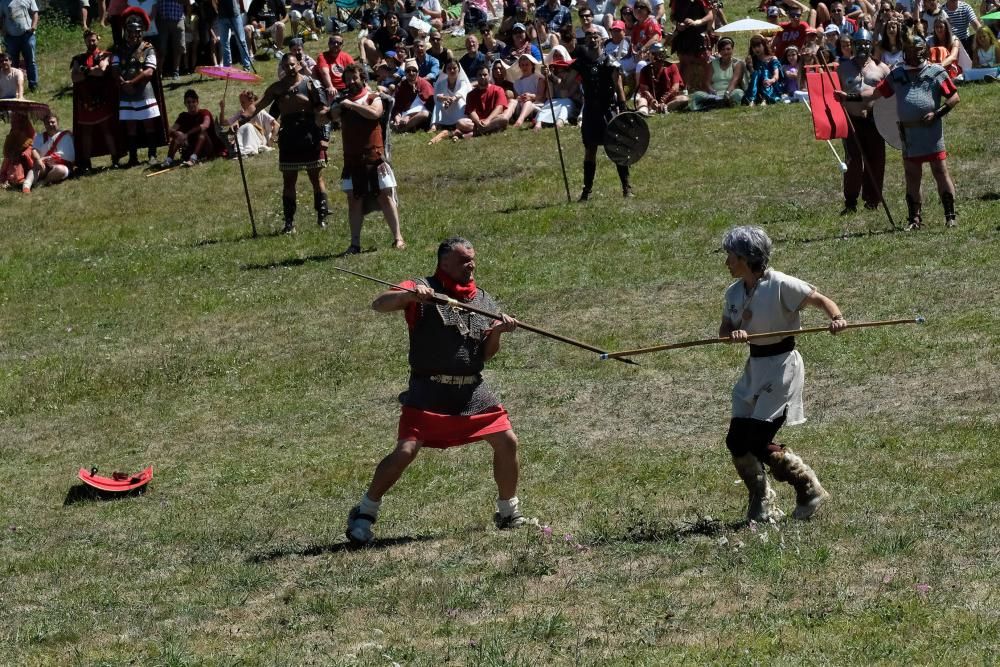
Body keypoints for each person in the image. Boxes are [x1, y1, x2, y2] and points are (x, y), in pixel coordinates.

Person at [345, 237, 531, 546]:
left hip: (472, 392)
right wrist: (412, 298)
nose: (470, 265)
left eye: (472, 259)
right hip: (428, 391)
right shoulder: (421, 286)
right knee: (405, 452)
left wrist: (497, 331)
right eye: (462, 260)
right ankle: (364, 513)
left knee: (507, 440)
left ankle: (508, 512)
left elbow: (484, 354)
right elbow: (379, 304)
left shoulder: (482, 300)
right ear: (444, 263)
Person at [719, 225, 844, 524]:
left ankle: (808, 487)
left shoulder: (781, 284)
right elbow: (724, 329)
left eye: (731, 257)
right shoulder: (734, 292)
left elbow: (821, 300)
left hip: (782, 368)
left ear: (747, 258)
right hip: (755, 367)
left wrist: (836, 319)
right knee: (737, 441)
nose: (727, 263)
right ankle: (762, 502)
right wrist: (731, 334)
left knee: (758, 439)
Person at [837, 33, 960, 227]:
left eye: (917, 50)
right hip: (908, 133)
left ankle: (950, 216)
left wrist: (937, 114)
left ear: (924, 51)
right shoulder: (898, 74)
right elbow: (874, 93)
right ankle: (914, 219)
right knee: (912, 175)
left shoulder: (935, 72)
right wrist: (849, 97)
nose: (914, 54)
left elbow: (954, 97)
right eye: (910, 50)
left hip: (931, 132)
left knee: (940, 171)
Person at [249, 52, 330, 233]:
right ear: (283, 68)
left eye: (292, 65)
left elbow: (324, 112)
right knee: (288, 180)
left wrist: (325, 137)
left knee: (315, 177)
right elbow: (258, 106)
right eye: (286, 66)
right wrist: (239, 120)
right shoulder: (277, 88)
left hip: (310, 134)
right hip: (289, 138)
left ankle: (322, 216)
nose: (290, 68)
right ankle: (289, 222)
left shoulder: (311, 84)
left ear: (299, 64)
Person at [327, 63, 404, 253]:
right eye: (348, 78)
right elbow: (327, 117)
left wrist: (351, 105)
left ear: (362, 78)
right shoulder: (342, 101)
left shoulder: (373, 97)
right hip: (353, 159)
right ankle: (355, 244)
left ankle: (398, 238)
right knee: (354, 200)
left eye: (354, 77)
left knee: (385, 196)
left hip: (374, 157)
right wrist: (333, 108)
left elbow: (375, 113)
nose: (351, 81)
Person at [562, 26, 630, 200]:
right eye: (589, 36)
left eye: (595, 36)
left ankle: (626, 187)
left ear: (601, 39)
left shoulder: (610, 62)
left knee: (616, 148)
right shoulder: (581, 63)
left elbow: (619, 87)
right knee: (590, 150)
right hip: (591, 112)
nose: (592, 39)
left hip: (608, 109)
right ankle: (586, 191)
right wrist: (549, 75)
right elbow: (566, 84)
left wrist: (623, 110)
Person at [836, 27, 889, 213]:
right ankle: (850, 201)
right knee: (853, 161)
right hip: (853, 121)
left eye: (866, 44)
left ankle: (872, 200)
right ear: (853, 45)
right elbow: (834, 96)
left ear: (871, 45)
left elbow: (889, 95)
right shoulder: (843, 68)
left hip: (875, 121)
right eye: (859, 44)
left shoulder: (882, 69)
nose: (862, 47)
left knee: (876, 160)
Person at [112, 7, 169, 167]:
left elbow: (149, 71)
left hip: (144, 91)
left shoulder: (148, 48)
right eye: (130, 32)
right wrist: (123, 83)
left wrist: (133, 83)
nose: (133, 35)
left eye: (136, 32)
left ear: (141, 32)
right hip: (125, 92)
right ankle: (133, 157)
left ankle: (152, 154)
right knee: (130, 125)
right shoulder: (119, 48)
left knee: (148, 123)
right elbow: (115, 68)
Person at [70, 31, 120, 171]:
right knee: (86, 132)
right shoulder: (78, 58)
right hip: (85, 100)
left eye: (93, 40)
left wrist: (84, 71)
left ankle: (115, 159)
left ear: (98, 39)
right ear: (85, 42)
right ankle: (86, 164)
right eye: (88, 41)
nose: (91, 43)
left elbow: (102, 70)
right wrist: (91, 71)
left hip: (102, 98)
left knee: (107, 130)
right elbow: (74, 78)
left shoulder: (105, 55)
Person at [161, 88, 225, 166]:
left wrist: (187, 134)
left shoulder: (205, 113)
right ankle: (169, 159)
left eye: (193, 102)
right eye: (188, 102)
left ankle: (193, 159)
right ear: (185, 103)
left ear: (197, 102)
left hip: (207, 148)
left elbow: (205, 125)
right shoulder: (183, 116)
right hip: (190, 148)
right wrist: (176, 134)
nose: (191, 104)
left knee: (202, 132)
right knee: (178, 134)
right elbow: (171, 130)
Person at [453, 62, 510, 138]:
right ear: (476, 77)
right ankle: (485, 130)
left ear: (489, 76)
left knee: (504, 119)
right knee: (459, 123)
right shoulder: (470, 94)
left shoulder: (498, 90)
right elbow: (471, 112)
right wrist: (478, 122)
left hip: (493, 119)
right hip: (477, 123)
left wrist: (488, 120)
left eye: (485, 75)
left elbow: (499, 108)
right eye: (480, 75)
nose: (482, 77)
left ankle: (474, 133)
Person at [689, 36, 744, 109]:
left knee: (738, 93)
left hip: (730, 92)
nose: (725, 52)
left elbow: (735, 81)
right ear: (719, 51)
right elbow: (707, 83)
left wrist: (727, 94)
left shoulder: (737, 63)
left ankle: (721, 103)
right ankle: (717, 103)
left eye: (728, 49)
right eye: (723, 49)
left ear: (732, 50)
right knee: (696, 95)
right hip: (714, 94)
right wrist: (713, 93)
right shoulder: (712, 64)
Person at [668, 0, 714, 86]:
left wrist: (696, 22)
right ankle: (685, 88)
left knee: (706, 61)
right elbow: (672, 16)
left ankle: (706, 85)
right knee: (685, 62)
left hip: (699, 33)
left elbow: (710, 15)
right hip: (683, 34)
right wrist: (677, 24)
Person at [220, 89, 278, 155]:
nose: (241, 105)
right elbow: (223, 123)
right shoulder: (241, 113)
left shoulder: (260, 112)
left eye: (243, 102)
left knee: (248, 126)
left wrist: (271, 140)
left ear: (251, 101)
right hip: (245, 139)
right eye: (241, 102)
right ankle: (240, 150)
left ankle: (246, 150)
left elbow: (276, 125)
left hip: (260, 139)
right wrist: (222, 109)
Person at [428, 59, 472, 143]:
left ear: (458, 69)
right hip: (446, 106)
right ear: (445, 70)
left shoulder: (462, 82)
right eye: (449, 68)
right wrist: (444, 99)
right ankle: (435, 124)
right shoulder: (441, 83)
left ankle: (458, 124)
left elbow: (461, 92)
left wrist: (453, 99)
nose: (452, 70)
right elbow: (437, 96)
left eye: (454, 68)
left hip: (458, 107)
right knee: (438, 103)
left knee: (460, 102)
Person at [636, 43, 689, 113]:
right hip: (651, 102)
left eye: (660, 55)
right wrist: (651, 100)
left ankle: (665, 108)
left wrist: (664, 99)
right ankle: (643, 112)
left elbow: (675, 87)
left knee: (684, 98)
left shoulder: (672, 67)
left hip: (668, 100)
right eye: (656, 55)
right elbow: (644, 89)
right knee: (641, 100)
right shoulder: (645, 70)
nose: (658, 59)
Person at [0, 0, 39, 93]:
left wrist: (33, 27)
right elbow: (1, 18)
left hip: (27, 35)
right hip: (11, 37)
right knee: (12, 63)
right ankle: (14, 88)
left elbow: (35, 13)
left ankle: (33, 86)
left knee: (31, 61)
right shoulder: (2, 2)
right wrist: (3, 32)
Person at [31, 112, 75, 185]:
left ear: (57, 122)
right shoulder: (39, 137)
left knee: (61, 171)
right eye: (48, 123)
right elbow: (34, 150)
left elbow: (69, 156)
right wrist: (38, 160)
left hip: (61, 166)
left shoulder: (66, 136)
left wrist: (48, 158)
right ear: (45, 124)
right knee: (35, 169)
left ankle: (44, 182)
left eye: (53, 122)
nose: (50, 124)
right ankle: (27, 185)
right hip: (44, 165)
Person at [392, 59, 434, 132]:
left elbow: (430, 107)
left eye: (414, 70)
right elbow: (397, 105)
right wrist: (397, 117)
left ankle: (403, 129)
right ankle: (404, 125)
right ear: (405, 73)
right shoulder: (402, 85)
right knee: (392, 122)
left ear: (418, 72)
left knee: (425, 114)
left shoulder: (424, 84)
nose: (411, 73)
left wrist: (409, 116)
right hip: (405, 113)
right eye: (408, 71)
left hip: (420, 113)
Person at [743, 33, 783, 105]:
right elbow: (753, 77)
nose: (756, 49)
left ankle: (765, 98)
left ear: (764, 46)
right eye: (754, 47)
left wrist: (771, 80)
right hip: (757, 87)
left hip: (771, 85)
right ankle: (752, 100)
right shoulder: (753, 60)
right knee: (756, 73)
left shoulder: (772, 58)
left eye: (758, 46)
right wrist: (750, 66)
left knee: (765, 72)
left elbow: (776, 76)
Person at [0, 110, 35, 191]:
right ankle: (6, 179)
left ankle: (17, 180)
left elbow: (32, 142)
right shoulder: (13, 130)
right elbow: (8, 145)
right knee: (7, 160)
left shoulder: (28, 129)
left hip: (24, 156)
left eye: (17, 120)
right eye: (13, 120)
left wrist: (22, 152)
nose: (14, 122)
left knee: (18, 163)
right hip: (13, 155)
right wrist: (10, 153)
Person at [215, 0, 252, 70]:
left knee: (241, 41)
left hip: (235, 14)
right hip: (222, 16)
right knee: (224, 43)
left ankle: (247, 65)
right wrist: (217, 10)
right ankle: (227, 68)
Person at [154, 0, 187, 79]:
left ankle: (176, 71)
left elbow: (188, 3)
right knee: (161, 47)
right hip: (162, 19)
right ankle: (159, 72)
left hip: (178, 19)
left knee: (179, 47)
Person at [509, 53, 544, 127]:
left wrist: (531, 96)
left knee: (528, 102)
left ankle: (520, 120)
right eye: (522, 65)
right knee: (512, 101)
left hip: (535, 106)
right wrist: (520, 97)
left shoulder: (539, 79)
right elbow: (517, 97)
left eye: (527, 64)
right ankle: (507, 118)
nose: (525, 67)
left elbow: (541, 96)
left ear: (532, 65)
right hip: (520, 106)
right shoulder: (516, 82)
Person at [315, 33, 355, 98]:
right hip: (332, 89)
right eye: (333, 42)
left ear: (342, 45)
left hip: (347, 87)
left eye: (339, 43)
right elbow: (325, 73)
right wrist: (330, 86)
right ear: (329, 44)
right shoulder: (322, 56)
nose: (336, 45)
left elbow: (355, 71)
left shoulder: (346, 56)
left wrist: (365, 85)